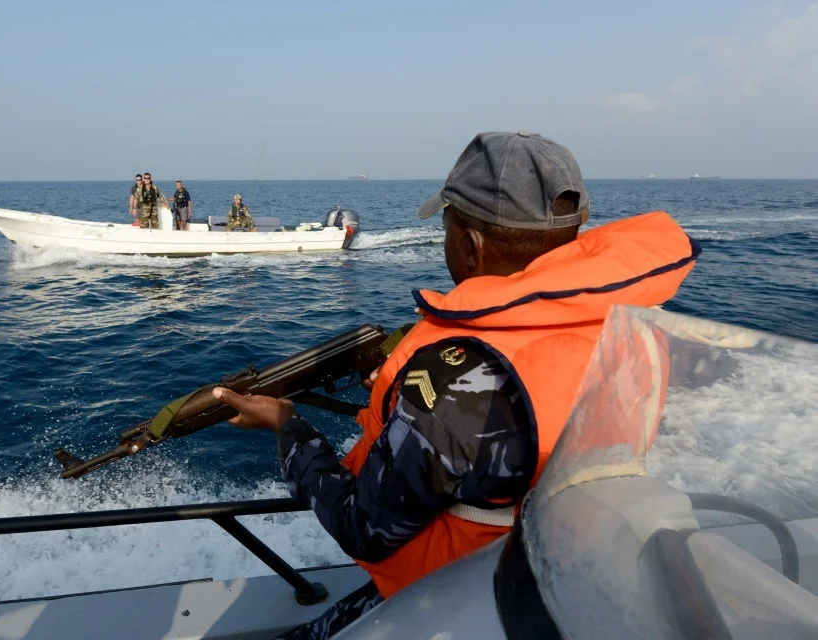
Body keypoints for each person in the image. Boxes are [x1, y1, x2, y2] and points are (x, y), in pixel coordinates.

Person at [213, 131, 700, 638]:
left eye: (446, 229)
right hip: (565, 566)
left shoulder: (456, 382)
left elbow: (365, 530)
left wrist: (287, 427)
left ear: (470, 245)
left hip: (471, 592)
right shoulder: (636, 330)